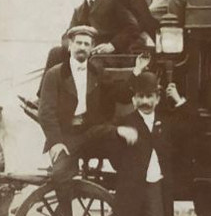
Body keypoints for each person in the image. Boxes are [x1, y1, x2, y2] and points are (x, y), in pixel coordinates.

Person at [95, 71, 184, 216]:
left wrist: (179, 99)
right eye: (140, 97)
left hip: (156, 186)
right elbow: (109, 148)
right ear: (133, 99)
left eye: (150, 97)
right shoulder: (125, 122)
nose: (145, 102)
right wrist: (128, 169)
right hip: (131, 189)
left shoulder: (165, 120)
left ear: (157, 98)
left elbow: (193, 127)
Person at [37, 26, 146, 181]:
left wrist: (136, 71)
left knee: (126, 154)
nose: (82, 47)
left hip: (92, 132)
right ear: (70, 45)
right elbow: (46, 113)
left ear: (92, 48)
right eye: (79, 43)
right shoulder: (54, 74)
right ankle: (65, 206)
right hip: (67, 137)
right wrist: (55, 142)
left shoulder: (96, 72)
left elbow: (118, 95)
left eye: (87, 44)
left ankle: (127, 198)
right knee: (60, 176)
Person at [44, 0, 144, 69]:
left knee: (90, 65)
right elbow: (68, 35)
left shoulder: (114, 0)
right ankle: (50, 86)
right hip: (88, 53)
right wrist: (71, 46)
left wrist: (112, 45)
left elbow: (133, 27)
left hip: (113, 56)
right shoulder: (79, 10)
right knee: (55, 53)